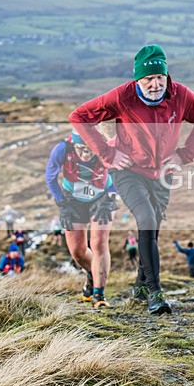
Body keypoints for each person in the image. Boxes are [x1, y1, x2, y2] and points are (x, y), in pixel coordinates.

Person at [69, 44, 194, 315]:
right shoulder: (122, 97)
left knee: (153, 228)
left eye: (160, 77)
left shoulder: (180, 96)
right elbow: (79, 116)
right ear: (138, 79)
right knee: (146, 219)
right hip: (129, 171)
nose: (155, 84)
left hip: (162, 174)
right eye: (148, 79)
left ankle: (140, 285)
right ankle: (154, 292)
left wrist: (185, 155)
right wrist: (107, 153)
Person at [45, 129, 118, 308]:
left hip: (102, 198)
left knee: (98, 242)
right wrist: (61, 203)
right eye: (81, 149)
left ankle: (99, 295)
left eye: (90, 149)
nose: (85, 154)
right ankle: (93, 273)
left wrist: (111, 197)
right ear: (73, 144)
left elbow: (123, 175)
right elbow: (50, 177)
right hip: (72, 200)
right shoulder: (62, 149)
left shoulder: (109, 149)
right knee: (77, 251)